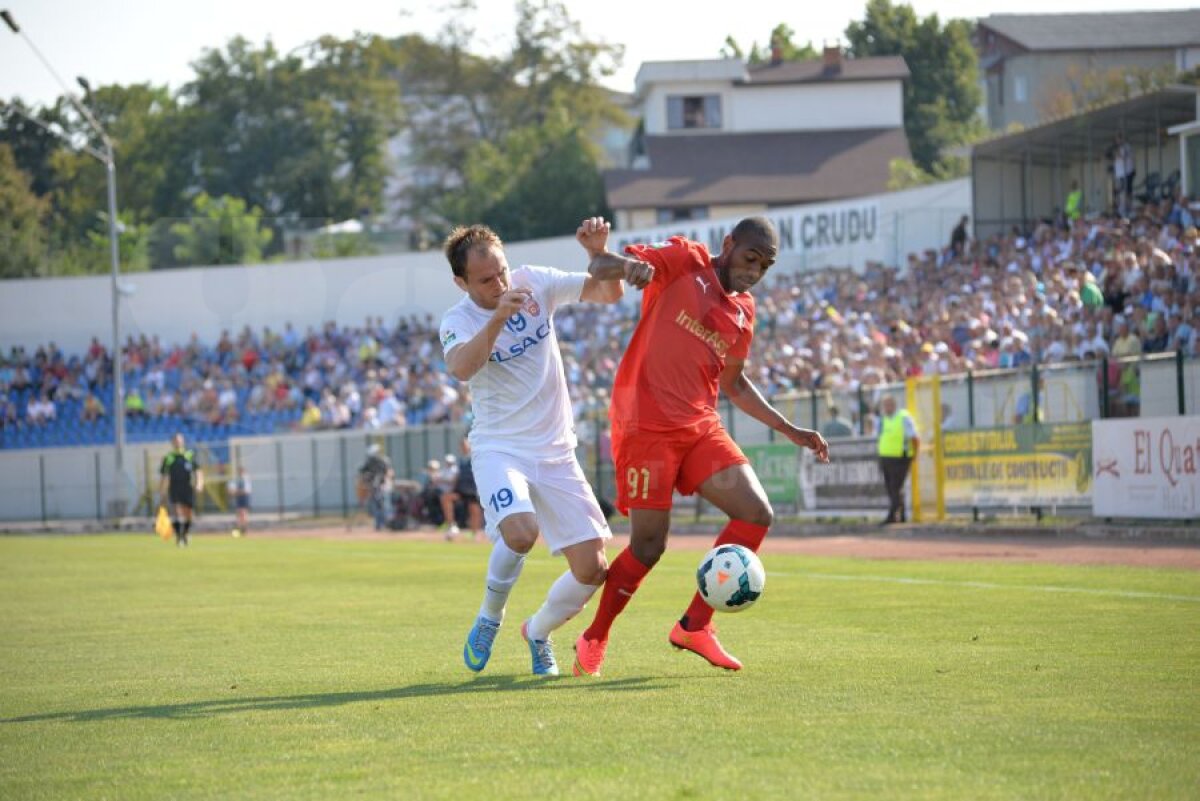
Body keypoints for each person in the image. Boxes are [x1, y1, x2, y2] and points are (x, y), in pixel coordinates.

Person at [572, 216, 830, 676]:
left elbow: (734, 383)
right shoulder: (684, 259)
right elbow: (611, 269)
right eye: (750, 258)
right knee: (649, 547)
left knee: (756, 514)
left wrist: (790, 429)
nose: (754, 271)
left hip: (698, 427)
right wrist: (603, 257)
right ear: (728, 244)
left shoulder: (744, 311)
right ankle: (595, 635)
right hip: (645, 427)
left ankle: (694, 625)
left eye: (765, 266)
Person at [439, 217, 651, 677]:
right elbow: (461, 368)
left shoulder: (535, 281)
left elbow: (608, 293)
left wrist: (597, 254)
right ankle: (489, 618)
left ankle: (537, 632)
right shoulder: (457, 320)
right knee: (520, 533)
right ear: (461, 282)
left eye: (501, 271)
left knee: (593, 569)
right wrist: (498, 317)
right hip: (501, 448)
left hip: (555, 450)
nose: (500, 283)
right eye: (485, 280)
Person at [876, 396, 918, 525]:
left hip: (901, 457)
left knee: (895, 487)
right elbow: (880, 437)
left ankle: (892, 515)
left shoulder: (904, 417)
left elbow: (914, 437)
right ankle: (902, 514)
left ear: (894, 405)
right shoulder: (882, 419)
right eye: (885, 405)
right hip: (885, 457)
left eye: (889, 405)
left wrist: (915, 454)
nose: (887, 408)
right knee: (891, 487)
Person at [158, 432, 204, 547]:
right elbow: (164, 475)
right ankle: (179, 537)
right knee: (176, 512)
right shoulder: (169, 457)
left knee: (188, 513)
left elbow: (198, 471)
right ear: (173, 442)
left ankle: (186, 533)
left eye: (180, 440)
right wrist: (162, 490)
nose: (178, 442)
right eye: (176, 440)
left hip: (187, 487)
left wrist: (199, 484)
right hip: (174, 487)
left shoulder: (189, 455)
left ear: (183, 441)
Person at [355, 443, 394, 531]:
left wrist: (384, 482)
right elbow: (363, 472)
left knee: (385, 505)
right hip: (374, 487)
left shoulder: (384, 461)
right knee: (376, 506)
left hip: (384, 487)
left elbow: (389, 473)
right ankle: (379, 525)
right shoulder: (370, 463)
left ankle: (389, 523)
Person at [227, 465, 252, 537]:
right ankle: (239, 528)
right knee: (238, 513)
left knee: (244, 513)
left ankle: (244, 528)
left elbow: (246, 491)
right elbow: (231, 489)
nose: (240, 473)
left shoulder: (246, 479)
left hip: (244, 498)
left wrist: (236, 492)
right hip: (238, 498)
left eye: (242, 471)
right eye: (239, 471)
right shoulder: (236, 479)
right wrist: (234, 491)